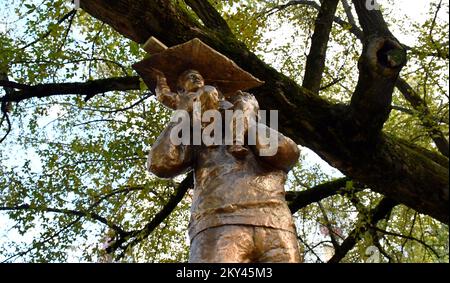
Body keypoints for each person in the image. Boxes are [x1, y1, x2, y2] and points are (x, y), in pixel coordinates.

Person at [148, 70, 302, 263]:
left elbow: (288, 154)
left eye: (217, 93)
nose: (214, 97)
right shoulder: (195, 132)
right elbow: (161, 163)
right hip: (217, 223)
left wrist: (247, 122)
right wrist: (182, 112)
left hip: (276, 223)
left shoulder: (249, 119)